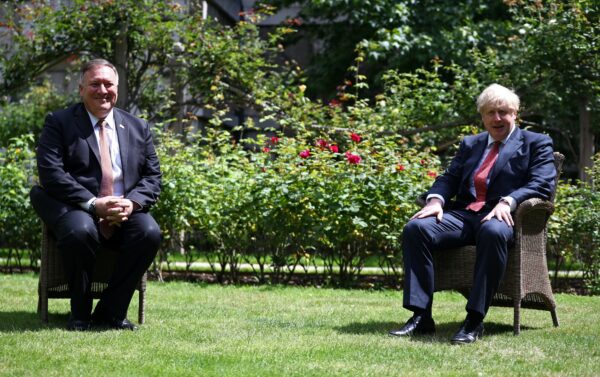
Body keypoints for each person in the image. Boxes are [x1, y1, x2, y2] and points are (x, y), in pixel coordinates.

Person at [389, 83, 556, 344]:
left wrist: (507, 202)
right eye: (490, 112)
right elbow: (450, 177)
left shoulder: (537, 143)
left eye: (503, 111)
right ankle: (421, 316)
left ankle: (474, 320)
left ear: (515, 113)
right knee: (417, 228)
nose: (497, 118)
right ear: (482, 116)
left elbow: (541, 183)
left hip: (504, 217)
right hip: (466, 215)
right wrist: (435, 201)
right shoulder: (471, 144)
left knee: (491, 231)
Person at [30, 59, 162, 331]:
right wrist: (94, 204)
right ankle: (79, 314)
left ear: (117, 88)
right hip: (77, 207)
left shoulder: (138, 127)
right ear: (81, 89)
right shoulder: (60, 122)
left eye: (108, 84)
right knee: (80, 230)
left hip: (123, 210)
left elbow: (152, 177)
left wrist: (131, 203)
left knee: (149, 232)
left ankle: (111, 313)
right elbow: (51, 173)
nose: (103, 90)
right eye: (95, 84)